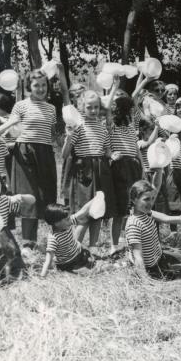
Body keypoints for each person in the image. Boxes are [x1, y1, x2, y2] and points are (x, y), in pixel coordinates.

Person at [0, 66, 70, 243]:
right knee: (29, 197)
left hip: (45, 153)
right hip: (25, 153)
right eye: (36, 85)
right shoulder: (20, 106)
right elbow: (9, 127)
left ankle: (57, 241)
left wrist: (68, 136)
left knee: (47, 197)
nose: (41, 89)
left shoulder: (51, 108)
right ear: (29, 87)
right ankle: (29, 244)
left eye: (43, 85)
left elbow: (52, 135)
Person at [62, 90, 114, 251]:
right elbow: (64, 154)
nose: (93, 110)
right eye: (89, 107)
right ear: (81, 107)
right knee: (84, 212)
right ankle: (72, 249)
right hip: (84, 171)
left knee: (98, 210)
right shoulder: (78, 127)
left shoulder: (102, 128)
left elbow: (107, 151)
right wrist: (68, 137)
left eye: (96, 107)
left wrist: (113, 155)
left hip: (101, 171)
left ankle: (93, 248)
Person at [107, 89, 143, 256]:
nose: (124, 112)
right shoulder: (111, 126)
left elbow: (136, 149)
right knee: (120, 209)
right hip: (120, 167)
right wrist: (114, 88)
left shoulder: (131, 126)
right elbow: (108, 109)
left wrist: (143, 168)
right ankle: (114, 244)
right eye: (119, 107)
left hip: (133, 166)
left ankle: (128, 240)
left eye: (126, 109)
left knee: (132, 207)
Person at [41, 200, 100, 277]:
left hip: (79, 254)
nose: (70, 221)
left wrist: (96, 199)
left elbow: (83, 211)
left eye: (69, 218)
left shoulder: (66, 224)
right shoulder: (53, 239)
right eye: (67, 219)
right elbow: (48, 260)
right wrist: (43, 276)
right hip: (69, 263)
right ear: (57, 223)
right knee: (90, 272)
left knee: (93, 263)